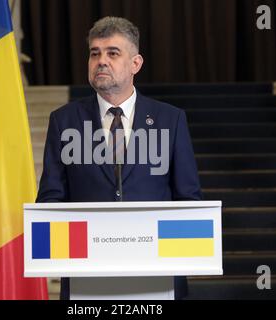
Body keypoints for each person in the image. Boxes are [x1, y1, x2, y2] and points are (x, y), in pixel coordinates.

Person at [36, 16, 202, 300]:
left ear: (135, 64)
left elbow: (188, 200)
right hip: (87, 280)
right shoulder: (64, 121)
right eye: (95, 53)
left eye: (113, 53)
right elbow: (51, 201)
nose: (101, 60)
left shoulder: (170, 120)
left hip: (156, 279)